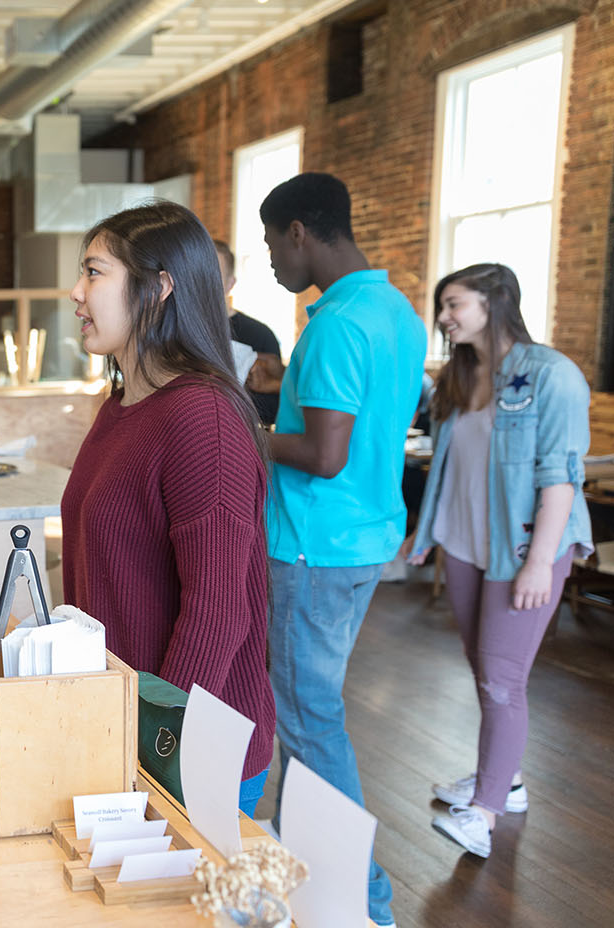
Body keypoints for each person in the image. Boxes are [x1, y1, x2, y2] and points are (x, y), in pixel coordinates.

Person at [58, 201, 274, 816]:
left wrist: (160, 750)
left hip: (184, 752)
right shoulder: (122, 403)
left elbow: (218, 608)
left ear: (159, 287)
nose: (76, 292)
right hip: (121, 725)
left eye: (94, 273)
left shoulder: (200, 418)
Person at [260, 172, 425, 928]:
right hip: (362, 542)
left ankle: (365, 896)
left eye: (271, 242)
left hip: (311, 548)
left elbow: (325, 453)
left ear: (300, 232)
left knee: (308, 720)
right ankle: (306, 866)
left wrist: (251, 431)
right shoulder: (395, 310)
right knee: (309, 712)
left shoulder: (333, 323)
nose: (270, 260)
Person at [406, 264, 591, 858]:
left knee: (502, 679)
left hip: (522, 553)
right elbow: (449, 464)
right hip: (465, 544)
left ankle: (483, 813)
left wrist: (541, 563)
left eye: (454, 304)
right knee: (481, 665)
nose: (443, 317)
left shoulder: (551, 375)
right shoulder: (458, 378)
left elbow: (559, 477)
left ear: (496, 300)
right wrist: (427, 530)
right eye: (443, 307)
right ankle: (503, 780)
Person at [214, 239, 283, 425]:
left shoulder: (260, 335)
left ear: (230, 283)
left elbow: (271, 410)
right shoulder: (175, 330)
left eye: (214, 278)